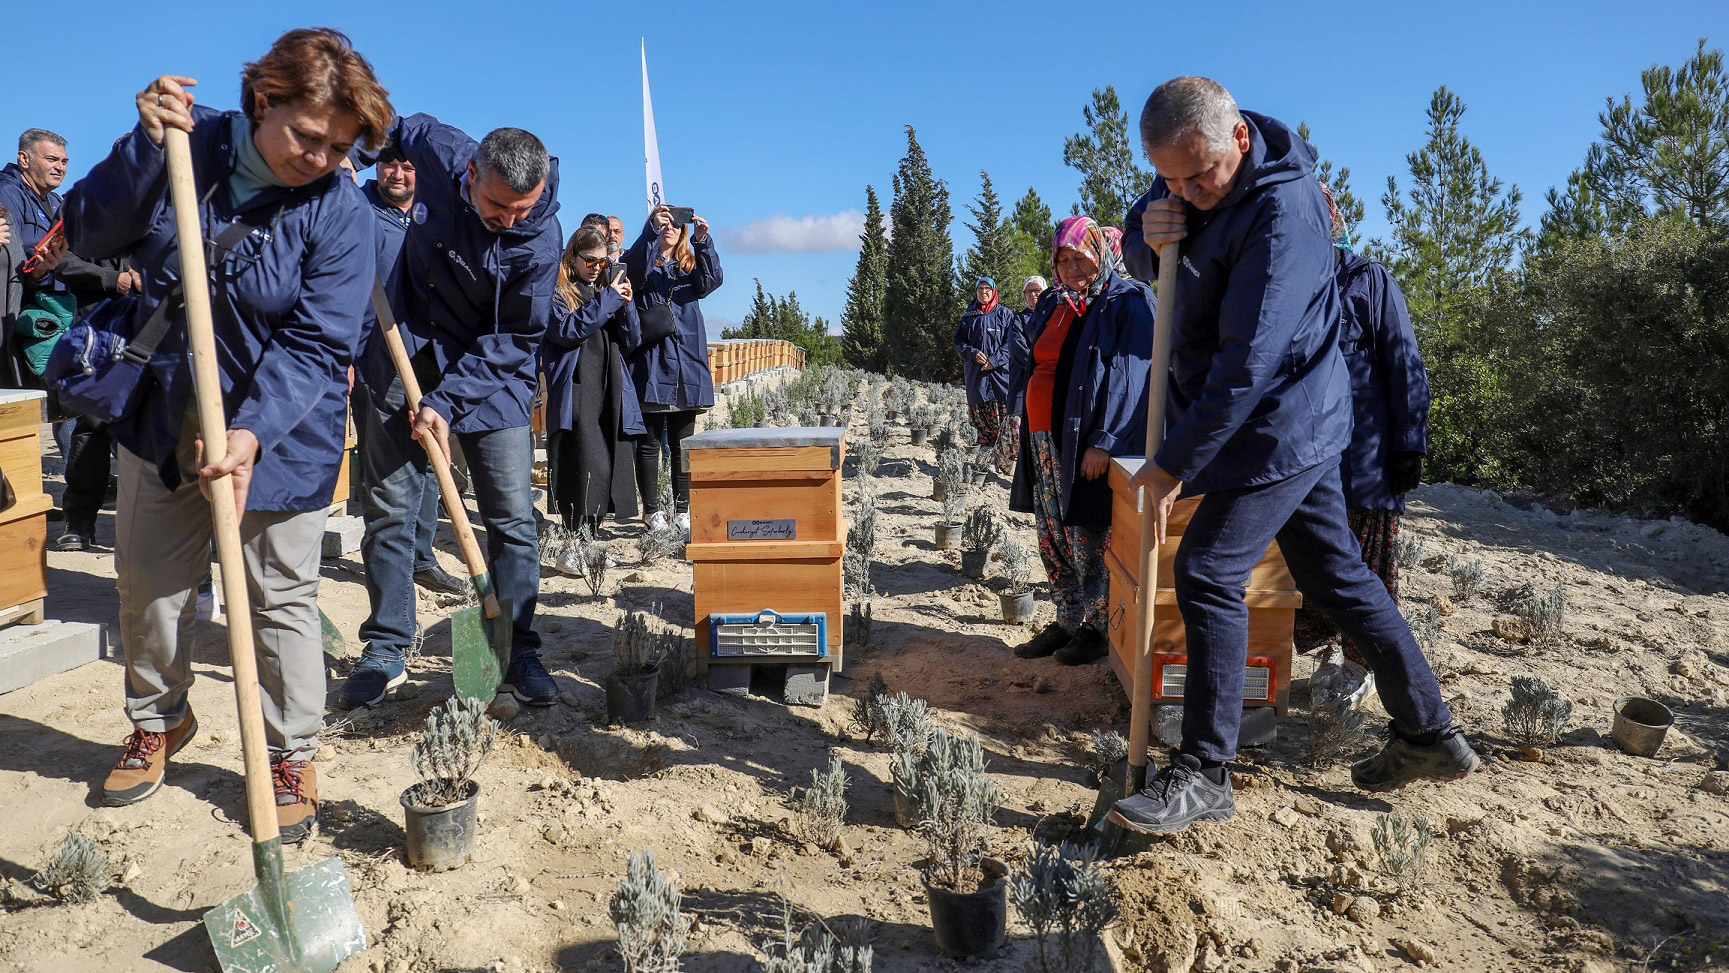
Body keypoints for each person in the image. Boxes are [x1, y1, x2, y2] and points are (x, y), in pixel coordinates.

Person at [1108, 77, 1478, 836]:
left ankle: (1205, 772)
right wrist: (1145, 230)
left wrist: (1172, 463)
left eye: (1197, 176)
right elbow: (1143, 254)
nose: (1186, 190)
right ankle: (1428, 733)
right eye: (1167, 177)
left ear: (1238, 137)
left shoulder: (1286, 212)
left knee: (1207, 568)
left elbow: (1247, 365)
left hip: (1281, 421)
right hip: (1257, 418)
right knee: (1334, 576)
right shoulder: (1188, 164)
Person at [63, 27, 392, 841]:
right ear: (261, 99)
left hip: (283, 438)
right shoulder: (184, 144)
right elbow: (86, 236)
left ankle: (289, 751)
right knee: (148, 581)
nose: (320, 157)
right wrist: (141, 152)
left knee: (279, 599)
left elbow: (319, 342)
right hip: (162, 415)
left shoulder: (340, 213)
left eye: (339, 146)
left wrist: (247, 434)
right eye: (308, 136)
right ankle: (159, 719)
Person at [342, 111, 562, 710]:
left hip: (492, 374)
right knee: (388, 507)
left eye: (524, 208)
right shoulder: (437, 149)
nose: (511, 220)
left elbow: (517, 338)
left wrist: (446, 402)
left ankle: (518, 650)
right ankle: (387, 645)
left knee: (512, 519)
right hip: (404, 342)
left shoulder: (539, 238)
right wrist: (346, 156)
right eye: (498, 208)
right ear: (469, 173)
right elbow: (379, 120)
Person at [1293, 182, 1429, 707]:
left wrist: (1408, 444)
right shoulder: (1290, 286)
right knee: (1312, 561)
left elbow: (1404, 364)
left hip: (1364, 456)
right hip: (1306, 456)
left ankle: (1362, 664)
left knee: (1364, 563)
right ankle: (1333, 654)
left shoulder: (1369, 280)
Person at [1006, 216, 1153, 666]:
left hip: (1082, 440)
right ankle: (1068, 617)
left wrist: (1104, 440)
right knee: (1051, 531)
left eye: (1081, 257)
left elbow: (1131, 378)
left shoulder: (1123, 300)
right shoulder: (1057, 304)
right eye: (1063, 259)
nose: (1072, 267)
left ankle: (1096, 625)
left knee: (1086, 534)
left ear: (1101, 253)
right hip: (1042, 437)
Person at [354, 139, 465, 598]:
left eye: (406, 166)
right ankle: (390, 574)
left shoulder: (431, 213)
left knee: (428, 459)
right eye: (387, 165)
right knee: (386, 475)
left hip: (429, 357)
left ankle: (422, 557)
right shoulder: (357, 207)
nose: (397, 174)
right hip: (375, 356)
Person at [542, 224, 643, 565]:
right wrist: (609, 299)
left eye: (602, 261)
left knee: (605, 470)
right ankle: (572, 546)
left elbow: (631, 341)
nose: (597, 267)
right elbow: (568, 331)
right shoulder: (557, 292)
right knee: (579, 466)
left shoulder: (605, 292)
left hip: (609, 391)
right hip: (576, 391)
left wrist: (625, 305)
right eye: (590, 260)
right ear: (572, 256)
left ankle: (590, 543)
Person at [625, 203, 722, 535]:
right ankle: (652, 513)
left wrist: (703, 241)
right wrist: (650, 230)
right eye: (662, 223)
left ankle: (682, 511)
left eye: (674, 224)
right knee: (650, 443)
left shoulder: (688, 267)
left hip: (687, 365)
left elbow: (711, 282)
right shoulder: (640, 264)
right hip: (652, 362)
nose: (669, 227)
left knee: (683, 442)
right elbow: (632, 272)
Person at [954, 277, 1019, 474]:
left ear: (994, 291)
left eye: (987, 289)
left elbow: (1012, 343)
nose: (983, 292)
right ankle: (986, 463)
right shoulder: (968, 317)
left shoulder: (1005, 315)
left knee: (1006, 421)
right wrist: (973, 354)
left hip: (1000, 377)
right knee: (981, 421)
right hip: (977, 377)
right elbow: (959, 343)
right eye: (980, 289)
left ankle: (1005, 462)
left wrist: (995, 360)